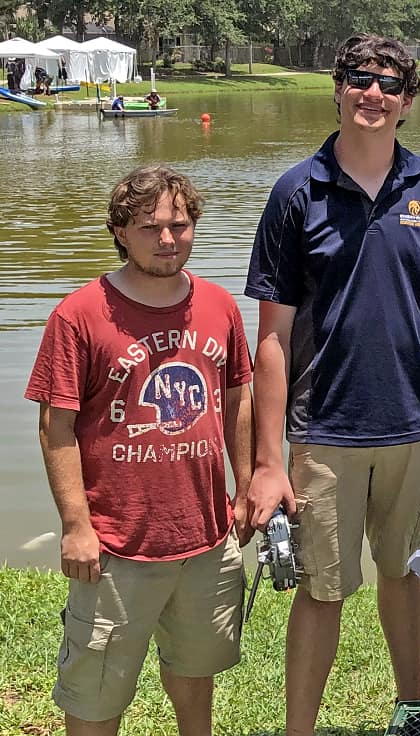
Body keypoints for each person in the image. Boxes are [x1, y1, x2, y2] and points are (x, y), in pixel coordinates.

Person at [244, 32, 420, 734]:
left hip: (418, 427)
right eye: (358, 78)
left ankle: (414, 709)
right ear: (337, 87)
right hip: (326, 431)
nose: (372, 93)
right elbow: (272, 339)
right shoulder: (296, 193)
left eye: (387, 83)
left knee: (405, 575)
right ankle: (300, 730)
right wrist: (265, 462)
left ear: (408, 101)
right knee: (322, 589)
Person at [25, 165, 254, 736]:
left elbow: (237, 398)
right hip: (115, 545)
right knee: (96, 692)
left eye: (179, 224)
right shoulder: (79, 314)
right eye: (149, 226)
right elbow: (56, 428)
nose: (168, 238)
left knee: (195, 675)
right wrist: (76, 525)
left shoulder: (220, 307)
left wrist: (246, 486)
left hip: (204, 537)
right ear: (121, 231)